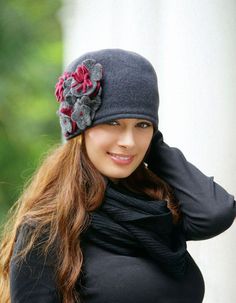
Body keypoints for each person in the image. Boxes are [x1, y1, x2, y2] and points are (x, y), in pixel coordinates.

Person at [0, 48, 235, 303]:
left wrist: (153, 148)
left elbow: (215, 213)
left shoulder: (156, 207)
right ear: (81, 129)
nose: (129, 141)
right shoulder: (46, 228)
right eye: (113, 123)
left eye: (142, 125)